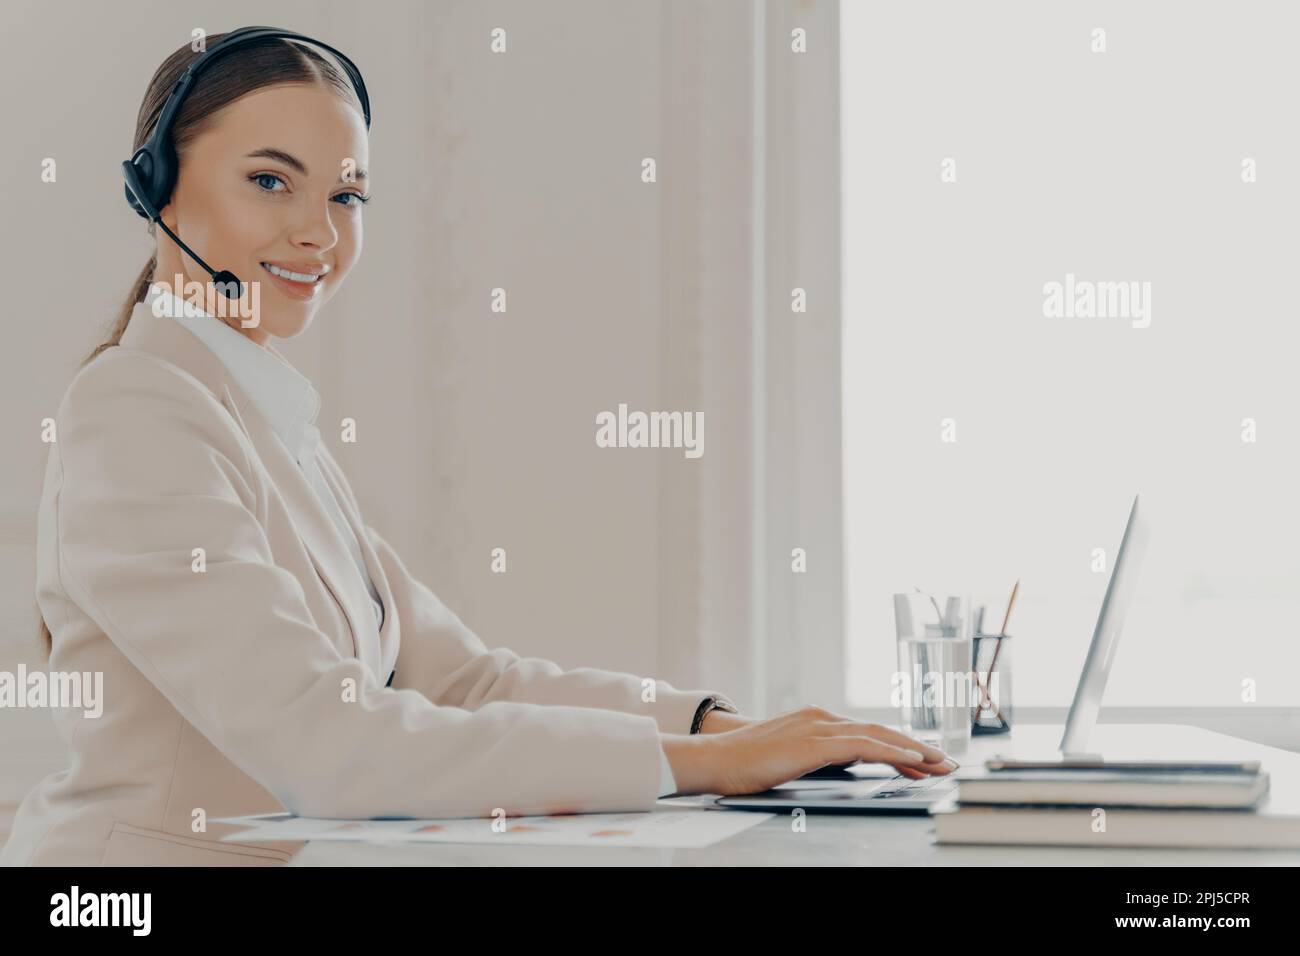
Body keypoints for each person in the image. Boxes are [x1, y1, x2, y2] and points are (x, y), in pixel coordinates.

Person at [2, 30, 953, 867]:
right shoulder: (136, 410)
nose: (319, 233)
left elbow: (464, 680)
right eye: (269, 181)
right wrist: (702, 767)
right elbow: (327, 742)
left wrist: (718, 725)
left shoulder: (262, 417)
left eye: (347, 194)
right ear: (157, 183)